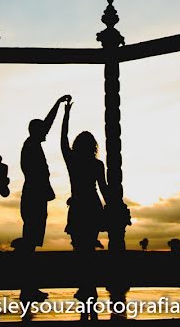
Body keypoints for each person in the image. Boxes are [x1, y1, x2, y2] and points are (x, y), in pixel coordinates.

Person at [18, 94, 71, 303]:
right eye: (43, 132)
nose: (46, 134)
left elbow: (47, 124)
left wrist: (57, 103)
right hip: (33, 198)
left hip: (35, 197)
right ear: (36, 131)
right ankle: (27, 289)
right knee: (29, 245)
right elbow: (35, 174)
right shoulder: (31, 146)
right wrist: (45, 189)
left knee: (30, 244)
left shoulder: (32, 145)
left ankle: (28, 288)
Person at [60, 98, 108, 316]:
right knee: (88, 249)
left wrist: (66, 114)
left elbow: (63, 140)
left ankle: (86, 287)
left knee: (80, 250)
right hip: (93, 207)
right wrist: (112, 206)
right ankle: (89, 288)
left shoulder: (73, 161)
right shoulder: (97, 164)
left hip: (79, 207)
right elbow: (104, 189)